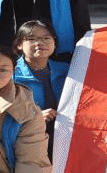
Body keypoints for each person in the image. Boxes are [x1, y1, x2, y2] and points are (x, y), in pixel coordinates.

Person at [12, 20, 68, 160]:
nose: (40, 43)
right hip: (26, 139)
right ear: (19, 44)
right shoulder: (10, 74)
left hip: (64, 135)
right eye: (32, 39)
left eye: (46, 38)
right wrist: (34, 118)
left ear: (55, 43)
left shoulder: (68, 70)